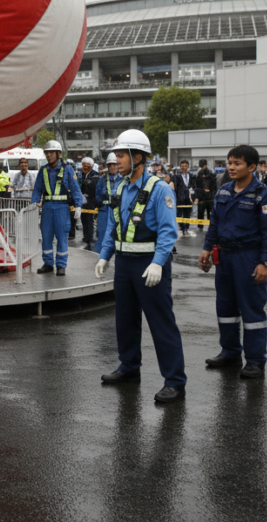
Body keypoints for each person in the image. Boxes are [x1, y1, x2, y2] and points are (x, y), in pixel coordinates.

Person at [95, 129, 186, 403]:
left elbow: (169, 232)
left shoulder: (160, 189)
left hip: (149, 265)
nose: (116, 159)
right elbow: (114, 226)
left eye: (121, 155)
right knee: (125, 320)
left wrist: (158, 263)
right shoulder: (121, 187)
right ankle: (129, 367)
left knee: (161, 323)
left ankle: (175, 381)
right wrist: (104, 255)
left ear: (138, 157)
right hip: (124, 265)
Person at [198, 146, 267, 379]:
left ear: (252, 167)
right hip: (224, 258)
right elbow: (214, 223)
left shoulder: (264, 195)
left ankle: (255, 360)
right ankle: (230, 352)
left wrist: (265, 262)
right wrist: (206, 248)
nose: (231, 167)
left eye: (237, 163)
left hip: (249, 258)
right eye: (229, 163)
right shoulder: (223, 191)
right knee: (225, 308)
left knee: (251, 309)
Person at [32, 140, 80, 276]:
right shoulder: (43, 170)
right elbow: (37, 189)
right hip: (47, 208)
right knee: (46, 237)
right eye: (46, 153)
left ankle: (61, 265)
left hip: (62, 209)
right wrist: (34, 204)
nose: (48, 155)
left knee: (62, 238)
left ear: (59, 154)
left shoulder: (68, 169)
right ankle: (48, 264)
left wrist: (78, 205)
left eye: (51, 153)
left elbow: (75, 189)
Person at [94, 154, 124, 255]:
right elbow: (97, 195)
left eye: (114, 164)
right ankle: (98, 257)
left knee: (120, 235)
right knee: (102, 235)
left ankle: (120, 258)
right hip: (105, 211)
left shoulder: (124, 179)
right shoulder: (102, 180)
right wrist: (102, 203)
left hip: (120, 211)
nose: (112, 167)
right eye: (110, 165)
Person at [78, 158, 99, 251]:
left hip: (91, 202)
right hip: (83, 203)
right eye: (83, 164)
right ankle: (85, 238)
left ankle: (91, 240)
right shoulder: (80, 175)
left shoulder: (95, 175)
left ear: (91, 165)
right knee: (84, 220)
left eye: (87, 165)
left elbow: (93, 187)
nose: (84, 166)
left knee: (90, 222)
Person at [194, 159, 217, 232]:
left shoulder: (211, 173)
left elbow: (214, 186)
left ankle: (211, 226)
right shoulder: (198, 174)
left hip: (210, 197)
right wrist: (198, 195)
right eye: (201, 166)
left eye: (203, 165)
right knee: (200, 211)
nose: (202, 167)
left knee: (210, 212)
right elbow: (197, 186)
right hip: (202, 196)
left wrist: (213, 194)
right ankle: (200, 226)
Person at [174, 160, 195, 237]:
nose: (184, 168)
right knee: (179, 215)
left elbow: (194, 186)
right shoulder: (176, 176)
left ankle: (186, 228)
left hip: (188, 199)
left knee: (187, 215)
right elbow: (175, 188)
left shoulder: (192, 176)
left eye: (185, 166)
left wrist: (194, 197)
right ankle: (182, 228)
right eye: (182, 166)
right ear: (180, 167)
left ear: (188, 167)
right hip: (179, 199)